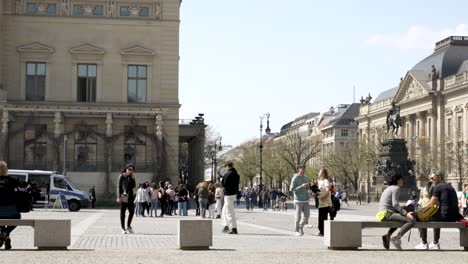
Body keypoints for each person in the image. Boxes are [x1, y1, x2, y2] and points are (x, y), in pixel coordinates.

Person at [415, 171, 460, 250]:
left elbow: (431, 204)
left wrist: (421, 212)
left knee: (421, 217)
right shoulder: (449, 186)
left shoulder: (437, 187)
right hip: (454, 216)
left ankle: (424, 243)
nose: (431, 180)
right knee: (436, 216)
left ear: (439, 177)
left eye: (433, 178)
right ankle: (435, 242)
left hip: (445, 216)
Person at [377, 172, 415, 250]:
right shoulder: (396, 188)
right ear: (398, 181)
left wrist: (403, 209)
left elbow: (393, 205)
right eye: (401, 180)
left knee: (400, 219)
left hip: (382, 213)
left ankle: (388, 236)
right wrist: (406, 213)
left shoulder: (389, 188)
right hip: (387, 214)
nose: (403, 181)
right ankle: (397, 238)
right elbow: (395, 204)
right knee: (411, 220)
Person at [0, 161, 20, 250]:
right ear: (6, 170)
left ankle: (3, 234)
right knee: (18, 218)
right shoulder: (13, 180)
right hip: (12, 211)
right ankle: (6, 234)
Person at [290, 165, 310, 236]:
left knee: (307, 216)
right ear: (298, 169)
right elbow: (292, 189)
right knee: (298, 216)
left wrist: (307, 187)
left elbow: (307, 188)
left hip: (306, 200)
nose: (303, 170)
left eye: (304, 169)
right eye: (302, 169)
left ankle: (300, 226)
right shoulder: (295, 178)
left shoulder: (306, 178)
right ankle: (296, 230)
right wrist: (301, 186)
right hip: (298, 200)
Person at [221, 161, 240, 234]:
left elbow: (224, 184)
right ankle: (225, 225)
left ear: (227, 166)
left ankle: (233, 228)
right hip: (233, 194)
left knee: (229, 211)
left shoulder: (227, 174)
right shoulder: (236, 174)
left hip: (228, 194)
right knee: (225, 210)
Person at [117, 163, 136, 234]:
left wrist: (133, 178)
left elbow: (134, 186)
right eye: (129, 169)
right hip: (123, 196)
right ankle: (123, 228)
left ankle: (128, 226)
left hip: (130, 196)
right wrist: (118, 196)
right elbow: (118, 187)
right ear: (126, 169)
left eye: (132, 170)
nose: (130, 171)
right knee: (123, 213)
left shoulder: (131, 177)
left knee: (132, 212)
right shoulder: (122, 176)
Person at [317, 168, 332, 236]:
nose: (318, 173)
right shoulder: (320, 181)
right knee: (320, 217)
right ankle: (321, 230)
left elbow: (327, 190)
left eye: (319, 172)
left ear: (323, 173)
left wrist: (322, 196)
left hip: (325, 202)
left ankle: (323, 231)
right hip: (321, 201)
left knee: (323, 217)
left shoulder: (326, 181)